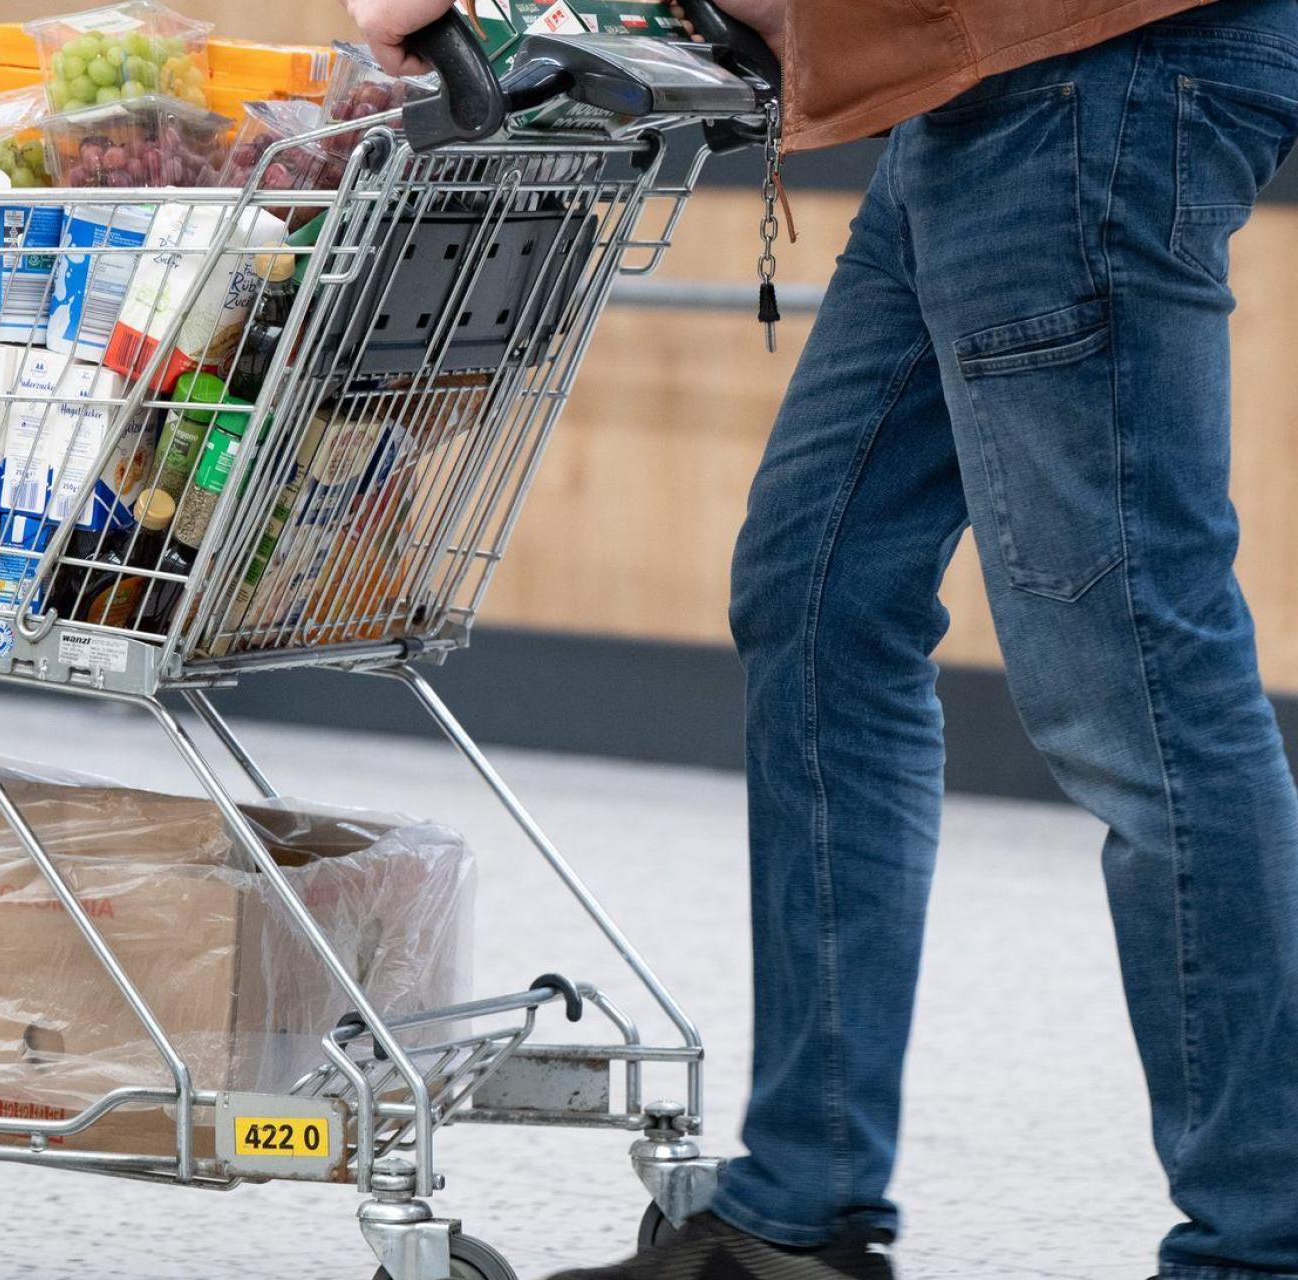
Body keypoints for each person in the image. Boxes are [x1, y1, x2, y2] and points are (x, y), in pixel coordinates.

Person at [345, 1, 1298, 1277]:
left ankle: (1260, 1245)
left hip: (1080, 72)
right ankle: (800, 1211)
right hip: (973, 80)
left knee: (1137, 676)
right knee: (817, 594)